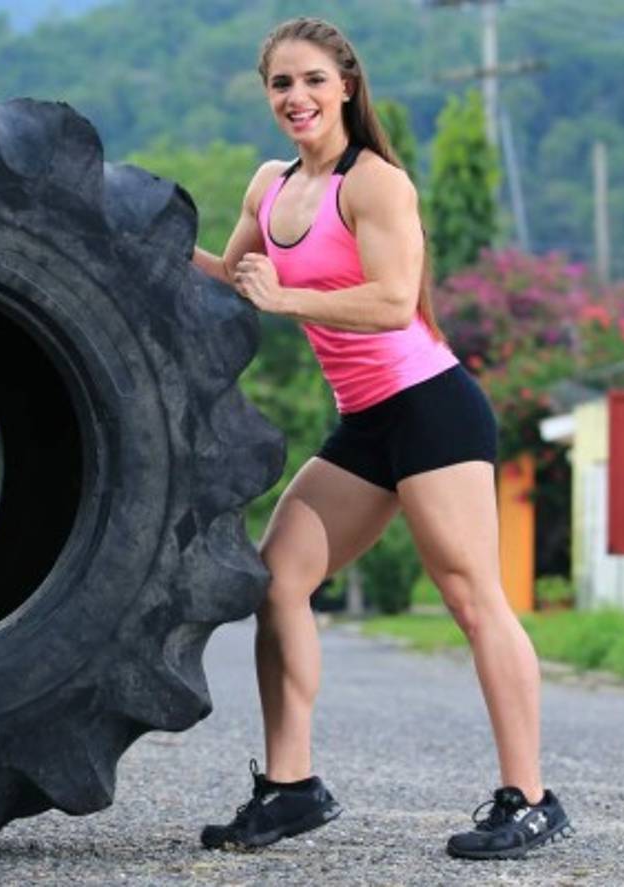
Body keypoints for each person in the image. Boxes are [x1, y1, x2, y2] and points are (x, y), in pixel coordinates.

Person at [189, 17, 571, 860]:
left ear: (348, 87)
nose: (297, 98)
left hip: (433, 407)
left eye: (314, 81)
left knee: (473, 600)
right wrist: (150, 239)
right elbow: (233, 280)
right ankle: (291, 788)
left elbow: (395, 300)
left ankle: (532, 798)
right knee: (278, 579)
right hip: (365, 420)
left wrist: (285, 300)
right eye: (282, 84)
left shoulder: (375, 184)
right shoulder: (268, 185)